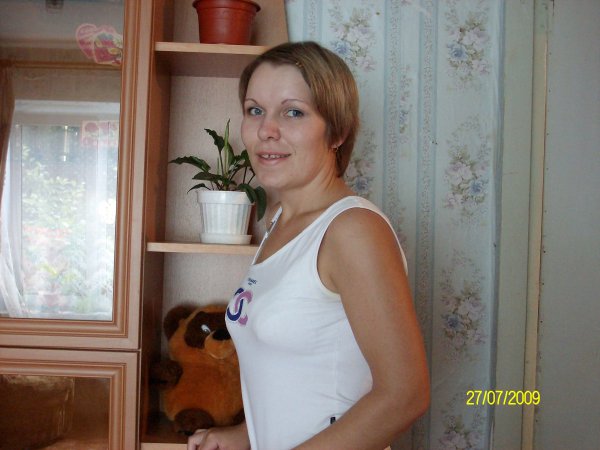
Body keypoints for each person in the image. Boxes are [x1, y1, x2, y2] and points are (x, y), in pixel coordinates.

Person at [188, 41, 429, 450]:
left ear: (337, 131)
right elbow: (300, 378)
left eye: (293, 112)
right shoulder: (279, 222)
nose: (267, 129)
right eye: (255, 110)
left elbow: (405, 396)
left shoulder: (352, 230)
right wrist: (242, 436)